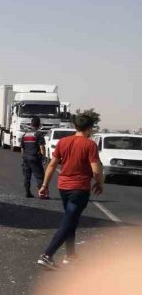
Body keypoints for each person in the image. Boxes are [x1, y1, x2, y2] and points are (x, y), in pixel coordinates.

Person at [37, 113, 103, 269]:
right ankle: (47, 255)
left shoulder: (63, 142)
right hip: (79, 188)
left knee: (71, 219)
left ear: (75, 126)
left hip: (63, 187)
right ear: (90, 129)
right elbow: (96, 169)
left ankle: (70, 255)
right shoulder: (90, 145)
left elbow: (52, 165)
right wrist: (99, 182)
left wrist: (44, 185)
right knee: (68, 222)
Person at [20, 116, 48, 199]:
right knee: (39, 176)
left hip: (26, 157)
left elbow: (22, 148)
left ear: (31, 124)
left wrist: (23, 157)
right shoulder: (39, 134)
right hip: (35, 157)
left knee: (27, 176)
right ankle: (42, 194)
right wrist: (43, 157)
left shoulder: (24, 134)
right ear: (39, 125)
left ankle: (27, 193)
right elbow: (42, 147)